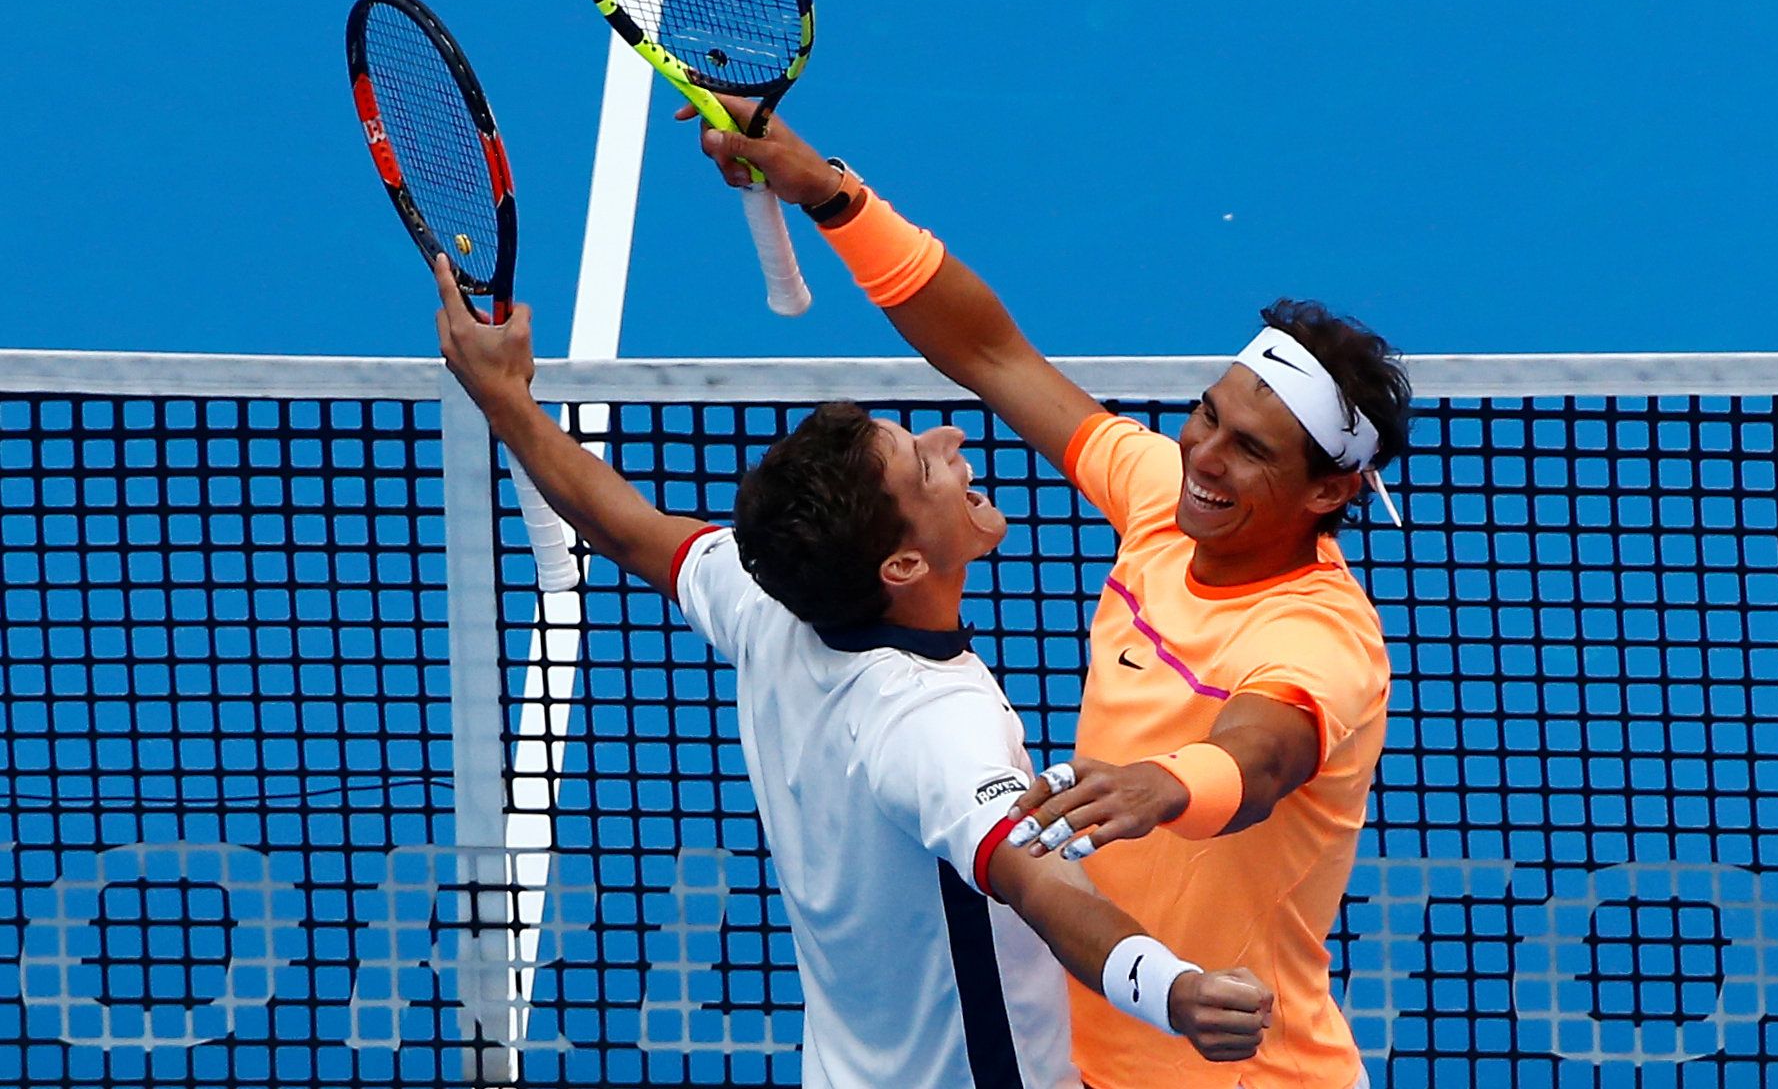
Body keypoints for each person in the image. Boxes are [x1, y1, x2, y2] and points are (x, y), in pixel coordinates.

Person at [685, 106, 1413, 1089]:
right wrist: (832, 193)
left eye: (1251, 448)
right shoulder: (1161, 493)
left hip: (1238, 1070)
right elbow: (992, 354)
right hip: (1083, 1049)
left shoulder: (1322, 637)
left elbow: (1266, 751)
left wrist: (1168, 781)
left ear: (1327, 491)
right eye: (1209, 413)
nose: (1203, 452)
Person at [426, 255, 1277, 1089]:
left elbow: (626, 529)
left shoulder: (769, 602)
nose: (952, 438)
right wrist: (1175, 990)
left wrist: (504, 397)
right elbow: (1042, 889)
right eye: (924, 465)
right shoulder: (933, 724)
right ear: (902, 567)